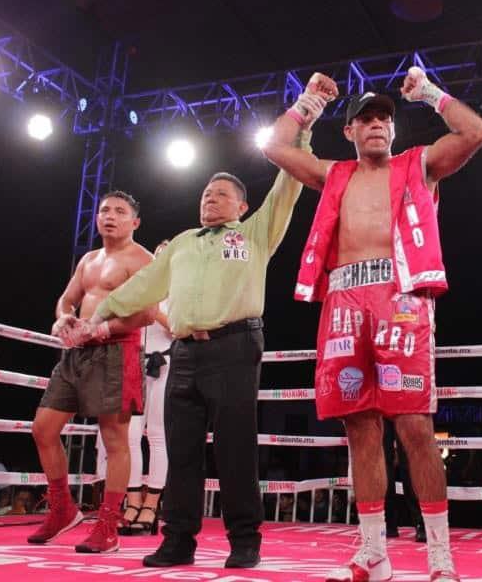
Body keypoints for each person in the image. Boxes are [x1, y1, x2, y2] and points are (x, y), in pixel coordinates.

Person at [263, 66, 482, 581]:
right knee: (360, 429)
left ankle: (439, 557)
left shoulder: (419, 165)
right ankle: (373, 553)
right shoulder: (334, 173)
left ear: (394, 128)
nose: (376, 125)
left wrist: (430, 93)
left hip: (401, 299)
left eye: (384, 118)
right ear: (349, 131)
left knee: (415, 426)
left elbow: (475, 133)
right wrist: (309, 105)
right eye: (365, 119)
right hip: (344, 300)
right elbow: (275, 149)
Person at [87, 128, 316, 570]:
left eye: (221, 194)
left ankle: (245, 540)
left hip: (234, 345)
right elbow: (144, 287)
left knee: (235, 448)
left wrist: (303, 132)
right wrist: (96, 316)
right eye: (206, 193)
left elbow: (288, 185)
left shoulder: (254, 234)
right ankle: (177, 541)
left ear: (242, 206)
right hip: (185, 352)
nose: (209, 198)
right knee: (182, 449)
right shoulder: (183, 243)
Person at [28, 190, 154, 553]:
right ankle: (63, 508)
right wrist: (62, 318)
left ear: (135, 222)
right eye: (104, 210)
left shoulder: (142, 259)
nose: (109, 215)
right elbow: (67, 298)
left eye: (119, 211)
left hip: (117, 351)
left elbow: (147, 313)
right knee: (44, 428)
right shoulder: (88, 259)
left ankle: (109, 524)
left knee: (114, 438)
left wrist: (103, 328)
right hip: (77, 352)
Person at [119, 239, 172, 536]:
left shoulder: (181, 290)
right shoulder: (140, 286)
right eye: (158, 251)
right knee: (128, 436)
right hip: (134, 362)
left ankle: (152, 504)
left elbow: (178, 327)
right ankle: (133, 500)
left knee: (157, 436)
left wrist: (153, 310)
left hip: (165, 365)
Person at [383, 418, 425, 542]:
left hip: (404, 404)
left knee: (409, 463)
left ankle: (420, 523)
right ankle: (388, 523)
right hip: (381, 404)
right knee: (383, 464)